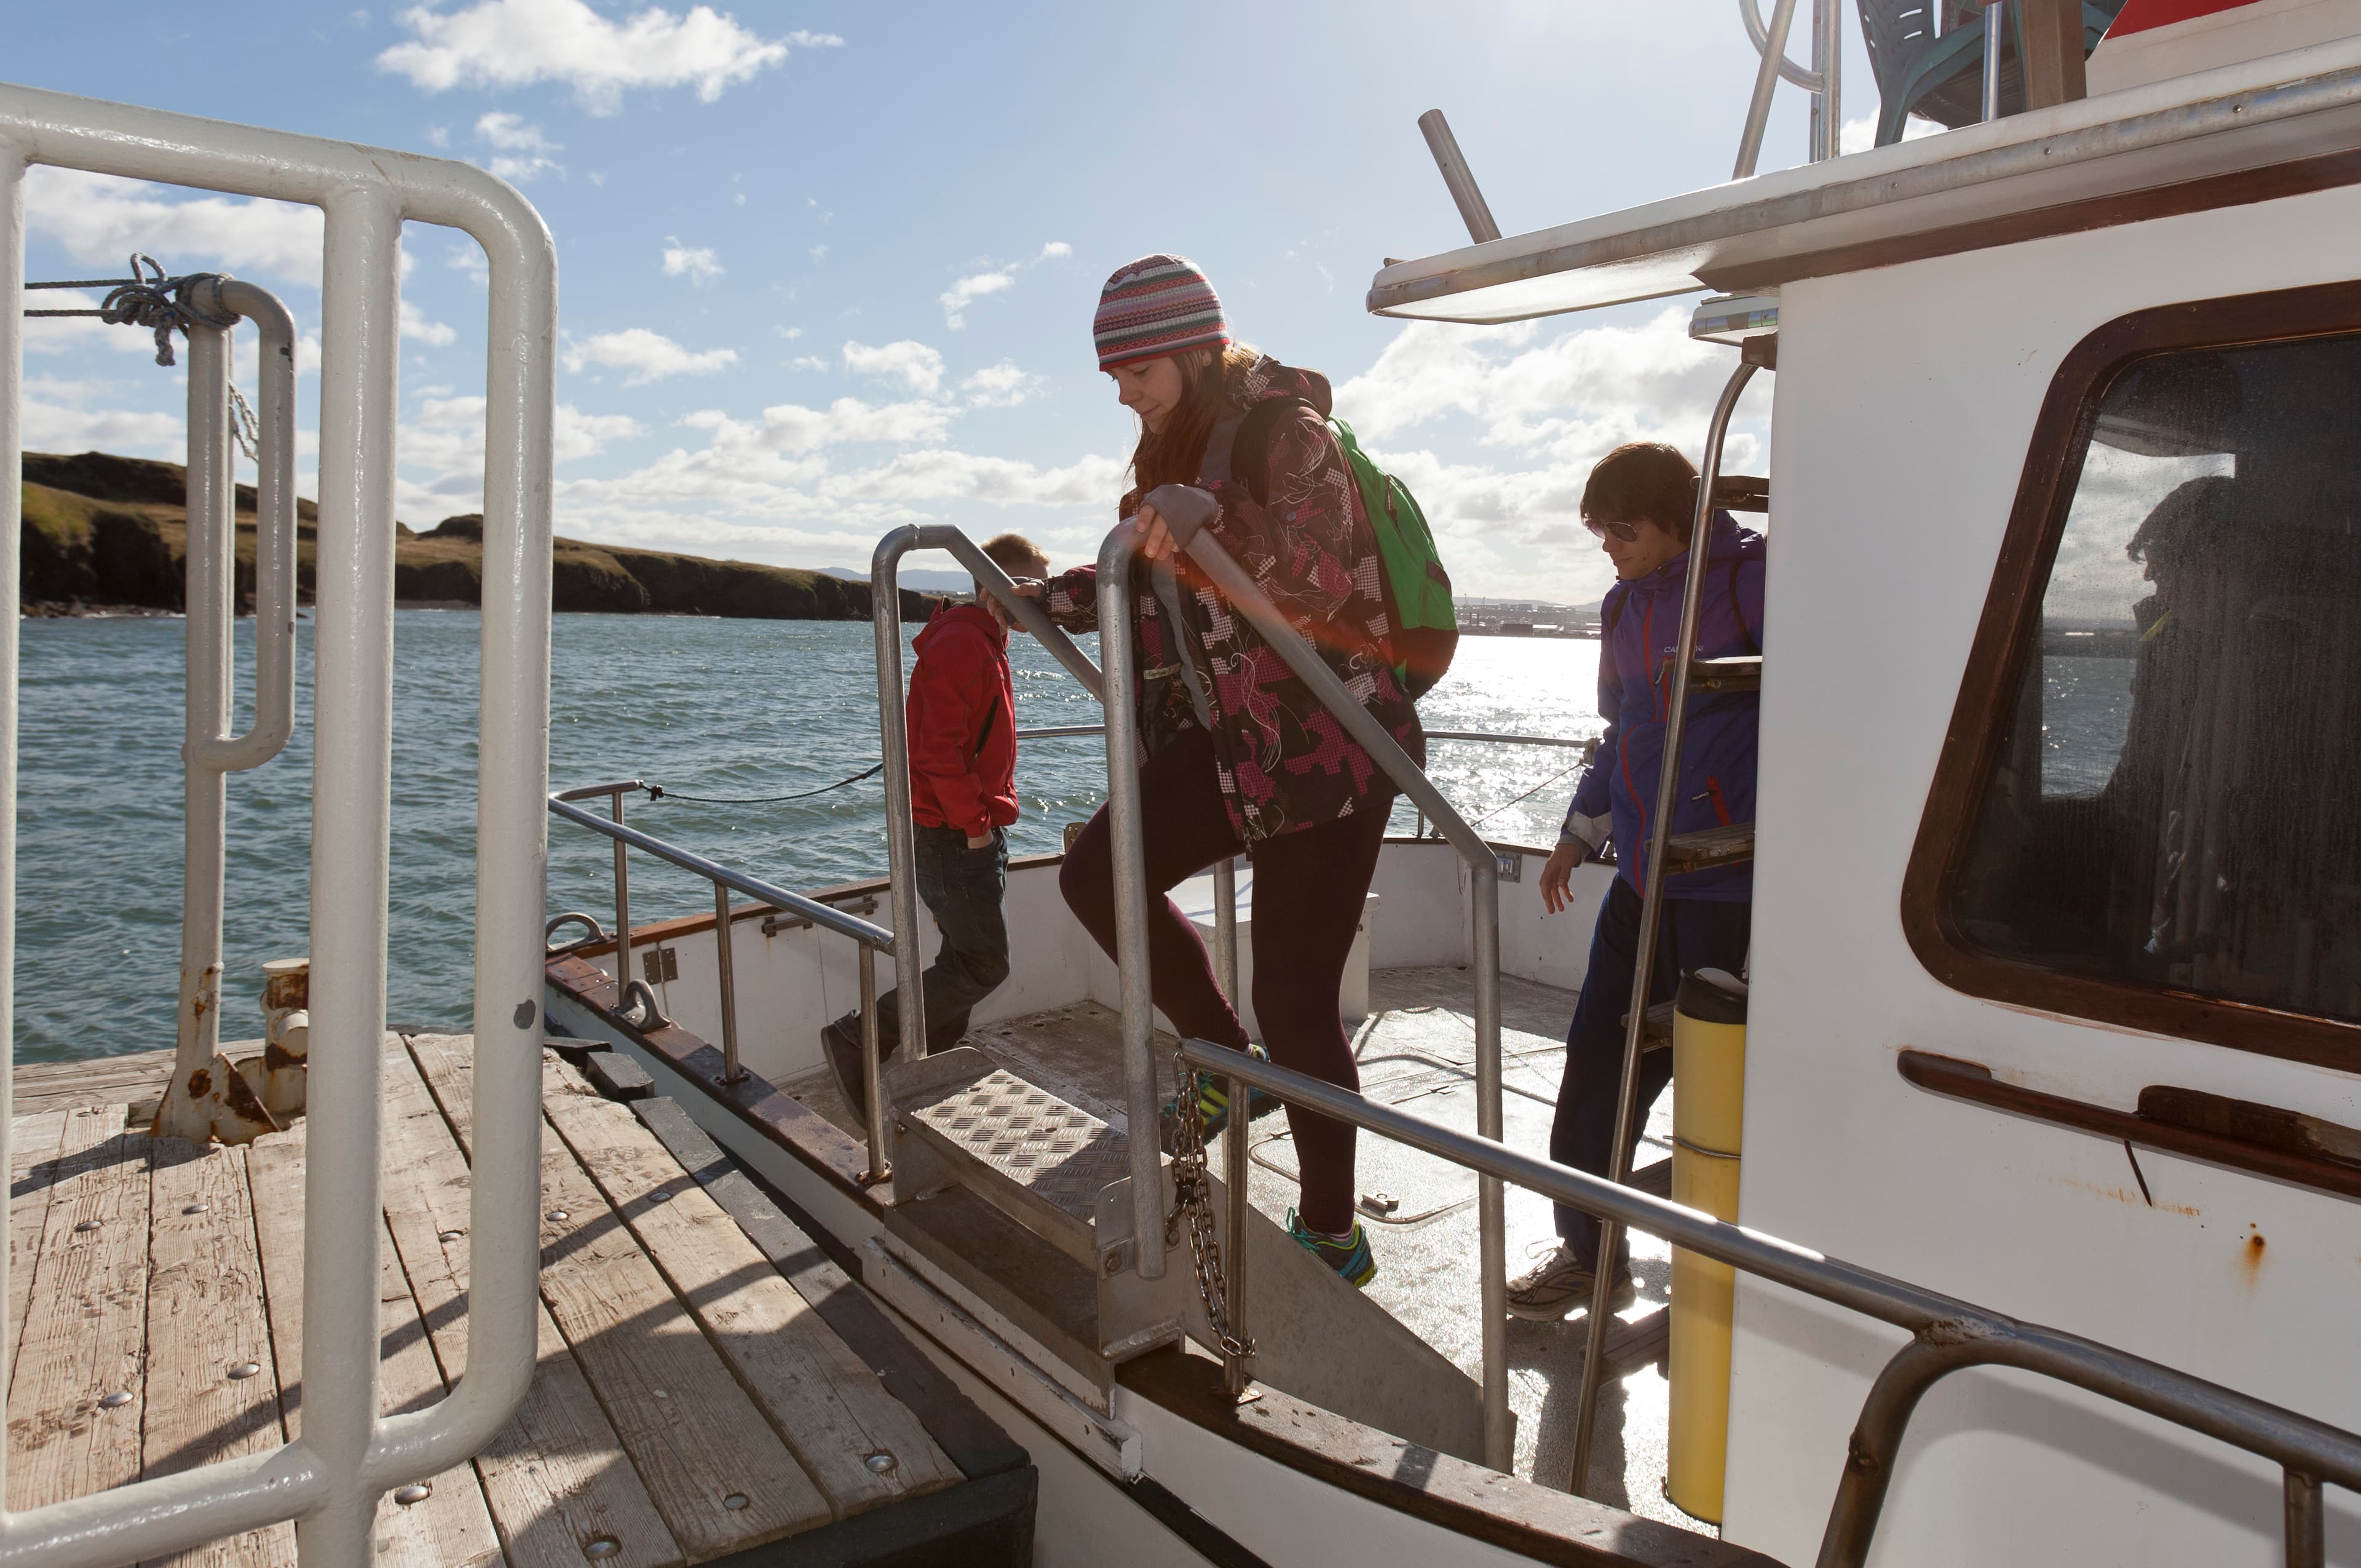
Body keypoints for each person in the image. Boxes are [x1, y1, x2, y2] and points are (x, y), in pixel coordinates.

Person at [1030, 253, 1422, 1289]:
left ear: (1194, 346)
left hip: (1333, 746)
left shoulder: (1283, 430)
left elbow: (1325, 579)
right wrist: (1034, 597)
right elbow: (1156, 578)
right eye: (1113, 373)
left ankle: (1335, 1232)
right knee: (1094, 875)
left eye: (1135, 367)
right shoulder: (1176, 446)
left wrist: (1217, 521)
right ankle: (1222, 1055)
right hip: (1231, 744)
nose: (1122, 389)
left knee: (1299, 1001)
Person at [1509, 441, 1763, 1322]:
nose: (1608, 546)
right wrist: (1578, 834)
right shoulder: (1623, 608)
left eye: (1622, 528)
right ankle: (1590, 1252)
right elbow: (1620, 735)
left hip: (1729, 892)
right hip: (1645, 883)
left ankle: (1731, 1280)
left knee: (1719, 1095)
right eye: (1599, 530)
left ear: (1676, 520)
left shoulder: (1754, 581)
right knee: (1595, 1066)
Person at [820, 532, 1051, 1117]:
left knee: (962, 957)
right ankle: (860, 1036)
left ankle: (937, 1066)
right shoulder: (962, 645)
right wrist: (975, 822)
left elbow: (977, 742)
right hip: (955, 836)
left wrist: (993, 812)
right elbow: (936, 751)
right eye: (1032, 591)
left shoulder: (982, 641)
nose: (1041, 604)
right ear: (997, 588)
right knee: (983, 964)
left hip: (970, 831)